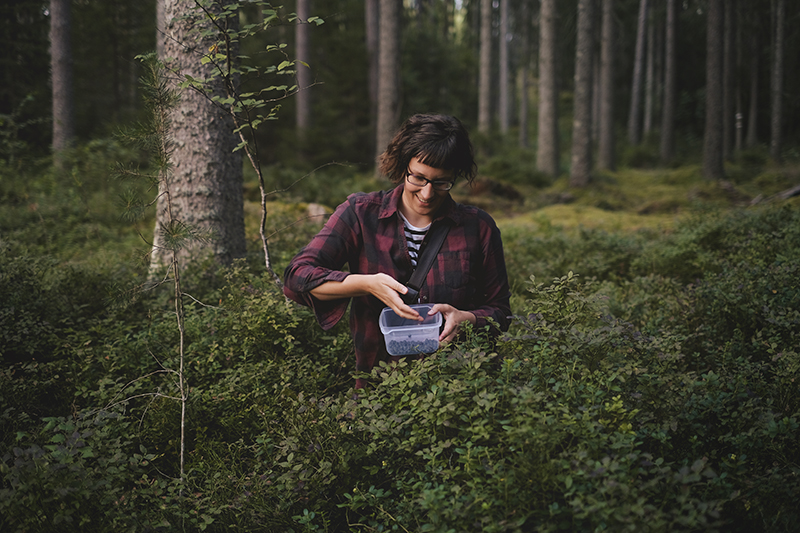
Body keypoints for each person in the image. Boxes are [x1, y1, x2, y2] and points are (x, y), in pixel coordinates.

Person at [283, 114, 511, 388]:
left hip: (458, 391)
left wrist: (468, 319)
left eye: (441, 182)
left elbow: (501, 311)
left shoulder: (478, 227)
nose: (427, 194)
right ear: (403, 167)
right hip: (377, 390)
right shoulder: (361, 213)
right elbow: (298, 277)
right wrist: (365, 284)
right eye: (418, 178)